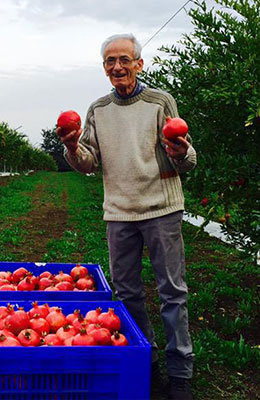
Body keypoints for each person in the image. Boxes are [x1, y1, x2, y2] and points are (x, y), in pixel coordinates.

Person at [57, 33, 196, 400]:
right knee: (127, 294)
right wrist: (72, 146)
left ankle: (180, 371)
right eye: (109, 62)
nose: (117, 67)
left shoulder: (159, 101)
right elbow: (87, 163)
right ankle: (143, 358)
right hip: (118, 213)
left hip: (161, 209)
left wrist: (181, 151)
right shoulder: (97, 110)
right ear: (104, 68)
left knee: (172, 293)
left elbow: (186, 157)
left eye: (123, 59)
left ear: (139, 63)